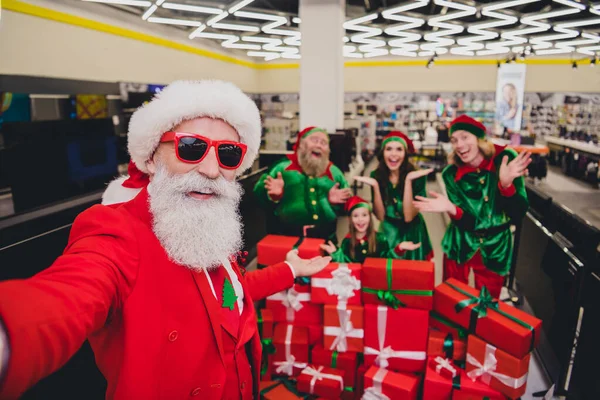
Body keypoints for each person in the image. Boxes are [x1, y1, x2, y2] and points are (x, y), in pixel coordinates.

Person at [0, 80, 331, 399]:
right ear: (150, 157)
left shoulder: (208, 226)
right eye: (191, 147)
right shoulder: (117, 230)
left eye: (229, 153)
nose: (212, 170)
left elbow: (230, 295)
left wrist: (290, 270)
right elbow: (70, 294)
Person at [414, 115, 530, 298]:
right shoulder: (451, 175)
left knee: (488, 310)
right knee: (452, 300)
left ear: (479, 138)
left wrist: (506, 186)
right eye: (454, 140)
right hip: (460, 244)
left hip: (496, 247)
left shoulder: (504, 161)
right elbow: (467, 222)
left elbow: (519, 212)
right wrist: (451, 209)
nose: (459, 145)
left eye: (465, 137)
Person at [254, 126, 352, 242]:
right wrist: (273, 196)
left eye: (324, 143)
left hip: (324, 240)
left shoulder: (334, 173)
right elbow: (258, 196)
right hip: (286, 239)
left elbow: (350, 207)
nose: (319, 145)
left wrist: (333, 203)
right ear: (301, 144)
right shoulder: (282, 169)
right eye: (314, 140)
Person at [354, 131, 434, 261]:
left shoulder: (417, 177)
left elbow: (408, 216)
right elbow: (380, 216)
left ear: (405, 154)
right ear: (383, 153)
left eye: (399, 149)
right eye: (389, 149)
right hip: (388, 232)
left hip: (413, 232)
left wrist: (408, 182)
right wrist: (375, 186)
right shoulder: (376, 176)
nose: (393, 154)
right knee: (389, 275)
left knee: (412, 275)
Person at [320, 196, 421, 263]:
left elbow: (386, 259)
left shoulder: (380, 239)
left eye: (364, 215)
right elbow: (346, 263)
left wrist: (399, 248)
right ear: (350, 219)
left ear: (370, 217)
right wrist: (336, 253)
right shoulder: (347, 242)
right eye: (355, 216)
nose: (360, 220)